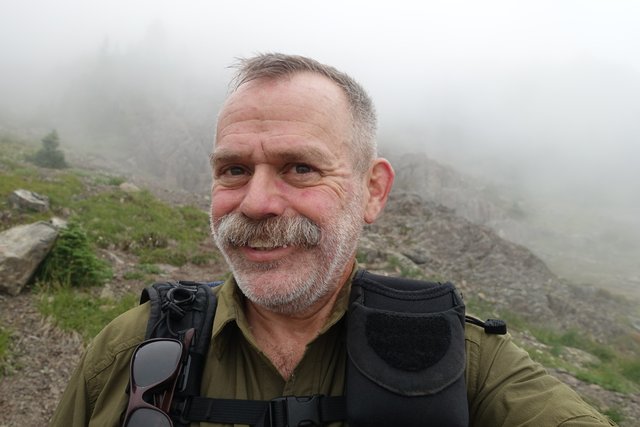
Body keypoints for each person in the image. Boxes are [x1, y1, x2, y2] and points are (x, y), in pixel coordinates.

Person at [50, 53, 615, 426]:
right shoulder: (129, 352)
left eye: (300, 169)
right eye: (233, 170)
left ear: (373, 191)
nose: (256, 202)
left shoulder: (464, 364)